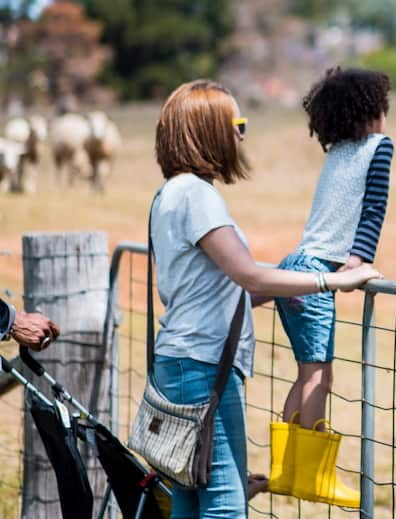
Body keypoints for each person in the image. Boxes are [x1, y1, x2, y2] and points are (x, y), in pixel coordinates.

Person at [150, 79, 381, 519]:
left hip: (181, 362)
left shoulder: (170, 194)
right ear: (208, 128)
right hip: (203, 368)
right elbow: (246, 273)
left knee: (189, 498)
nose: (242, 134)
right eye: (237, 122)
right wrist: (330, 284)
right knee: (224, 504)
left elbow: (224, 288)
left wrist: (286, 284)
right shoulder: (197, 197)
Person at [269, 67, 394, 507]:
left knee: (306, 373)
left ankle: (288, 473)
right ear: (371, 111)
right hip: (318, 271)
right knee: (319, 374)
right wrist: (358, 261)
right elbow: (374, 207)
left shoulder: (337, 152)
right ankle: (314, 477)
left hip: (295, 267)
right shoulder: (380, 147)